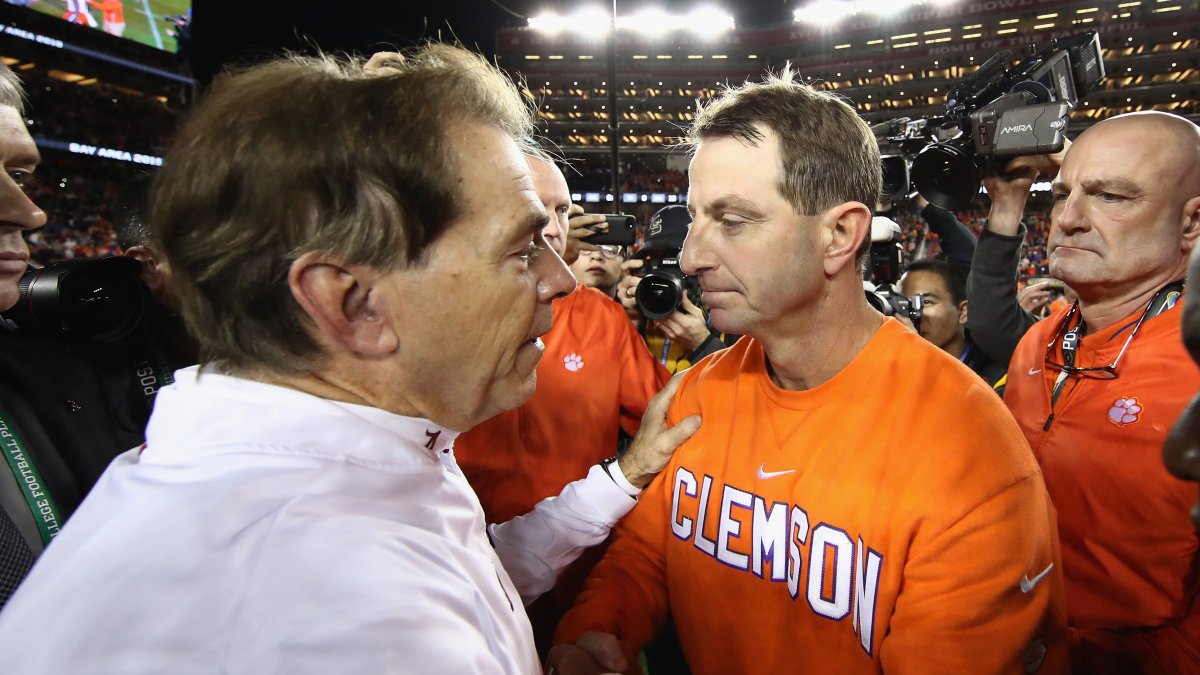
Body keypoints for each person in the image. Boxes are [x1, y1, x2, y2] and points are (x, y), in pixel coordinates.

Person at [0, 46, 699, 673]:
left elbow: (467, 569)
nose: (562, 280)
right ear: (354, 301)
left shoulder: (333, 460)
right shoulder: (343, 614)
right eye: (521, 249)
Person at [550, 69, 1067, 675]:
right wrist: (596, 630)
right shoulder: (697, 388)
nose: (690, 256)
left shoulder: (970, 454)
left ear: (840, 234)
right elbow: (646, 551)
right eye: (693, 218)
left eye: (733, 221)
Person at [996, 111, 1200, 673]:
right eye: (1061, 194)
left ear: (1192, 223)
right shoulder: (1037, 344)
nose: (1066, 219)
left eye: (1110, 196)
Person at [455, 154, 669, 652]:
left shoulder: (603, 318)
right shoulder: (441, 317)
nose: (552, 227)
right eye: (534, 209)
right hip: (462, 574)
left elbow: (664, 419)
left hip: (579, 574)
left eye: (563, 210)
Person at [616, 205, 735, 374]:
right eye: (657, 260)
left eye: (678, 259)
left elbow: (743, 393)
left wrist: (703, 343)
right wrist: (627, 323)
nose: (669, 271)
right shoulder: (639, 309)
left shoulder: (737, 322)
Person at [900, 257, 1006, 386]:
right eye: (905, 304)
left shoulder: (998, 377)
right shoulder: (891, 369)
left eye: (926, 302)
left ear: (962, 312)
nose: (913, 314)